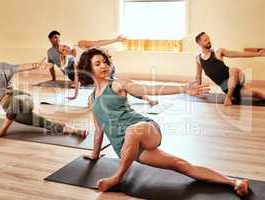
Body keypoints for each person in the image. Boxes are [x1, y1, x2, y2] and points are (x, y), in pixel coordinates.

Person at [77, 48, 249, 196]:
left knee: (132, 131)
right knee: (181, 165)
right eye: (98, 63)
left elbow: (150, 89)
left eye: (105, 62)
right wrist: (94, 155)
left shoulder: (118, 84)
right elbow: (99, 130)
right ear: (88, 69)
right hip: (128, 147)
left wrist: (183, 89)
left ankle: (117, 177)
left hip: (145, 130)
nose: (104, 66)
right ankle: (235, 182)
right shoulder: (92, 99)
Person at [0, 40, 88, 140]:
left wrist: (35, 65)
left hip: (22, 98)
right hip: (13, 111)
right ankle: (76, 131)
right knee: (45, 123)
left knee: (17, 101)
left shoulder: (1, 67)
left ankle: (2, 130)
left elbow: (20, 67)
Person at [195, 32, 265, 106]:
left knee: (233, 70)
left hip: (238, 77)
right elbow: (198, 76)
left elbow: (239, 54)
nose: (209, 41)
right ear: (199, 43)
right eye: (206, 40)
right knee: (256, 93)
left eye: (209, 38)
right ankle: (231, 94)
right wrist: (197, 90)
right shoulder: (198, 58)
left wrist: (258, 54)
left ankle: (228, 97)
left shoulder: (218, 51)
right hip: (227, 88)